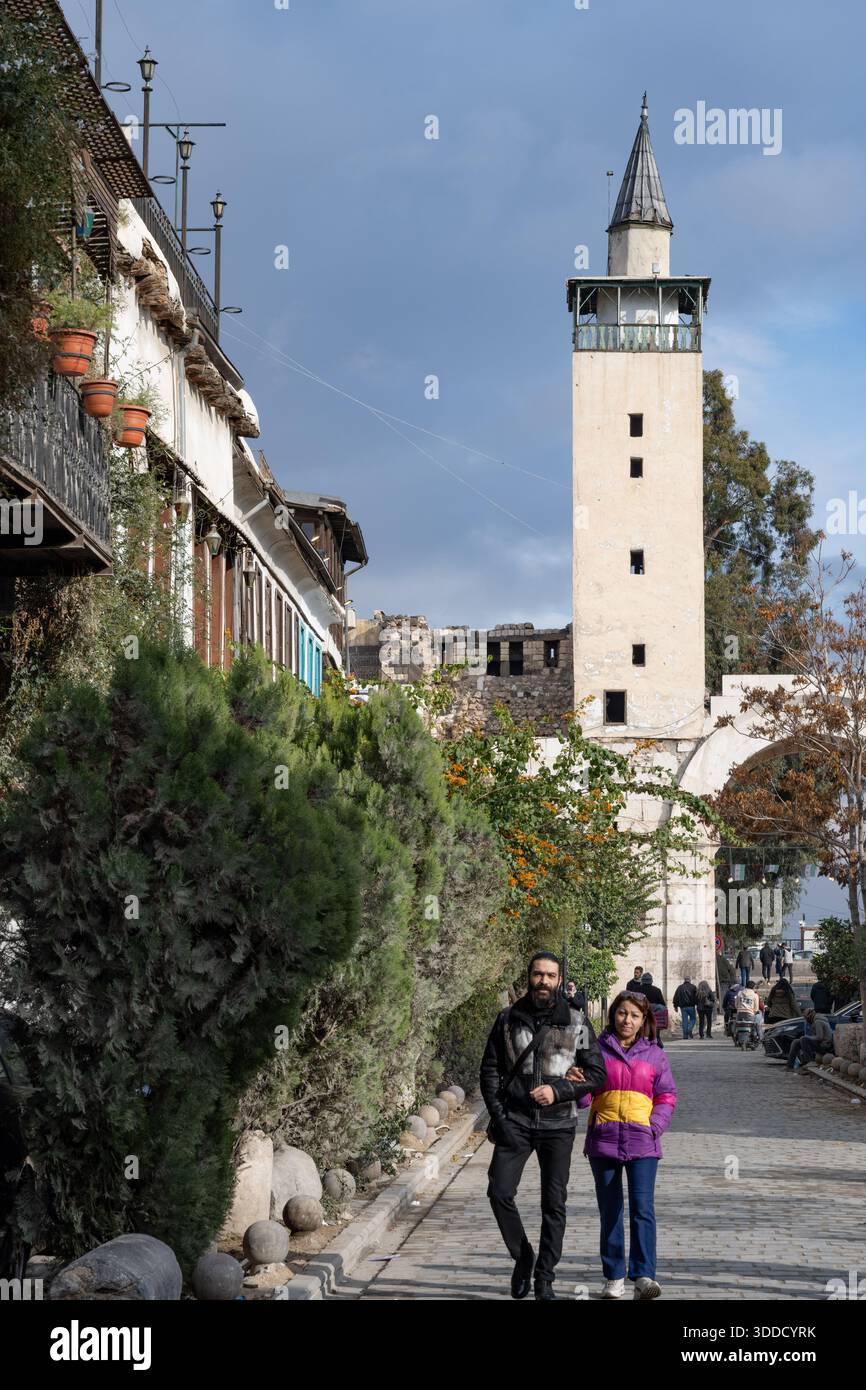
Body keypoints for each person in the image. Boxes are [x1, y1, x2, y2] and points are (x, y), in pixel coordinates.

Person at [480, 951, 606, 1300]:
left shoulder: (576, 1023)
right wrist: (500, 1116)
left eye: (551, 976)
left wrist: (560, 1089)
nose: (544, 982)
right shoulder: (508, 1020)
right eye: (538, 975)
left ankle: (545, 1278)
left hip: (558, 1125)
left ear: (560, 980)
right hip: (515, 1122)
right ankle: (523, 1258)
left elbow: (596, 1074)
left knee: (554, 1204)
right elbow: (490, 1070)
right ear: (529, 976)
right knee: (499, 1192)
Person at [567, 990, 677, 1301]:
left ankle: (643, 1275)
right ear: (613, 1014)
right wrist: (577, 1084)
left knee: (643, 1210)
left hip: (643, 1144)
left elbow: (667, 1096)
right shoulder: (595, 1051)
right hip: (603, 1142)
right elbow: (586, 1099)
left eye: (634, 1015)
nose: (626, 1020)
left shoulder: (655, 1054)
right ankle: (613, 1276)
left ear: (644, 1021)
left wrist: (654, 1126)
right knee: (610, 1211)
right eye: (622, 1013)